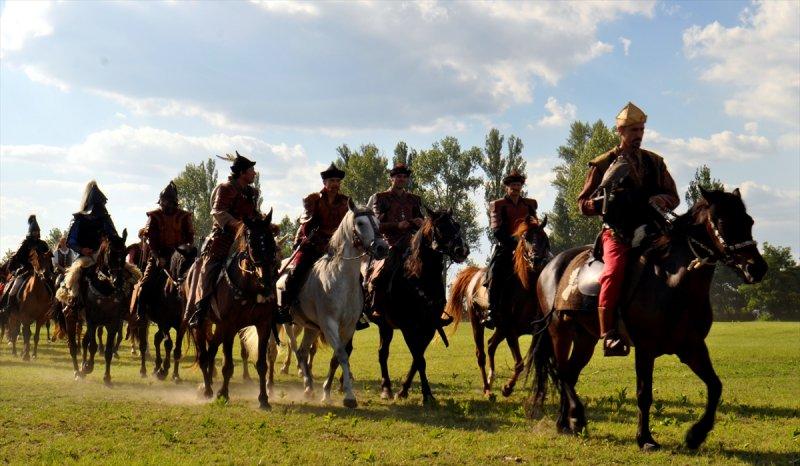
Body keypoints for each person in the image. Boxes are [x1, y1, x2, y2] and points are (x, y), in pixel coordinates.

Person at [577, 102, 679, 356]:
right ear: (620, 131)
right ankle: (608, 333)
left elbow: (673, 196)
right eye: (633, 130)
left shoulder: (655, 162)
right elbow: (582, 204)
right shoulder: (602, 165)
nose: (639, 135)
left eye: (641, 129)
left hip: (654, 230)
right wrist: (605, 200)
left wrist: (662, 200)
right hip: (618, 232)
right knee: (613, 271)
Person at [187, 152, 262, 329]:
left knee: (265, 263)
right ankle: (201, 310)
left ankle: (270, 307)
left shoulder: (252, 192)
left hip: (246, 239)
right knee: (209, 270)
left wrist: (264, 222)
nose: (254, 173)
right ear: (242, 172)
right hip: (222, 240)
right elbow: (218, 212)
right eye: (252, 170)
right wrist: (237, 225)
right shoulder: (226, 188)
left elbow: (253, 214)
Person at [279, 163, 351, 326]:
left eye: (337, 181)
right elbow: (306, 227)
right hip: (312, 247)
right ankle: (284, 309)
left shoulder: (346, 202)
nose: (335, 184)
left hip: (336, 250)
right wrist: (320, 243)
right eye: (332, 180)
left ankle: (358, 311)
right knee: (296, 273)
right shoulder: (312, 200)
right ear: (324, 182)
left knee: (355, 274)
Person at [480, 169, 538, 329]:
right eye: (513, 185)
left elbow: (535, 225)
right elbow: (496, 230)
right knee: (494, 272)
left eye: (518, 184)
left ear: (521, 186)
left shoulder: (529, 204)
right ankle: (491, 311)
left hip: (528, 247)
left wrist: (529, 242)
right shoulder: (498, 205)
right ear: (507, 187)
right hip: (505, 247)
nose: (515, 187)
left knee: (547, 265)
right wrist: (514, 243)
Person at [134, 181, 195, 322]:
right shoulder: (154, 216)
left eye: (168, 201)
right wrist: (157, 257)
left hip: (180, 256)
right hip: (159, 255)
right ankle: (140, 313)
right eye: (163, 201)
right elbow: (152, 240)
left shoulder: (184, 216)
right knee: (146, 283)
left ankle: (196, 312)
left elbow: (190, 238)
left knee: (194, 280)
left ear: (174, 202)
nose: (165, 204)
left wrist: (184, 253)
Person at [58, 181, 119, 307]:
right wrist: (82, 249)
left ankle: (127, 306)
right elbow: (71, 241)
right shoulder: (80, 219)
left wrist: (111, 243)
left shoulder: (105, 219)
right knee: (75, 274)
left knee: (125, 272)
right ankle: (72, 305)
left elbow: (114, 236)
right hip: (84, 256)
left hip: (102, 254)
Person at [0, 215, 50, 315]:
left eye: (37, 231)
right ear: (30, 232)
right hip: (26, 271)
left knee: (51, 285)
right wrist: (23, 266)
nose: (35, 233)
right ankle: (8, 307)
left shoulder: (43, 244)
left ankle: (52, 305)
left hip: (40, 271)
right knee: (14, 287)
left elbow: (48, 257)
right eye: (34, 231)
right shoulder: (25, 243)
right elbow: (16, 257)